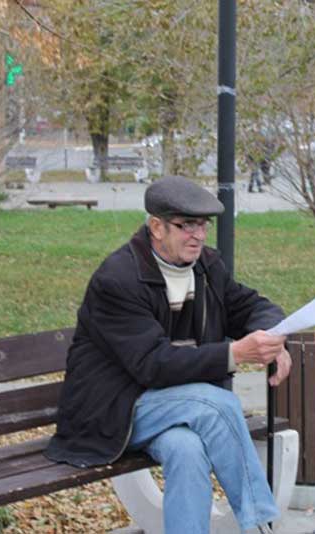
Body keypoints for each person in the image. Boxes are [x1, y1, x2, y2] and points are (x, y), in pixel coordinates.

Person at [45, 175, 291, 534]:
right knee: (217, 405)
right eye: (186, 225)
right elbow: (153, 365)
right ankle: (263, 528)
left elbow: (252, 305)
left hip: (171, 405)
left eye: (203, 224)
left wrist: (273, 339)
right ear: (156, 227)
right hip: (114, 410)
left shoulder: (206, 266)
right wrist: (236, 352)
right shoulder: (118, 279)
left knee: (187, 449)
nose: (199, 235)